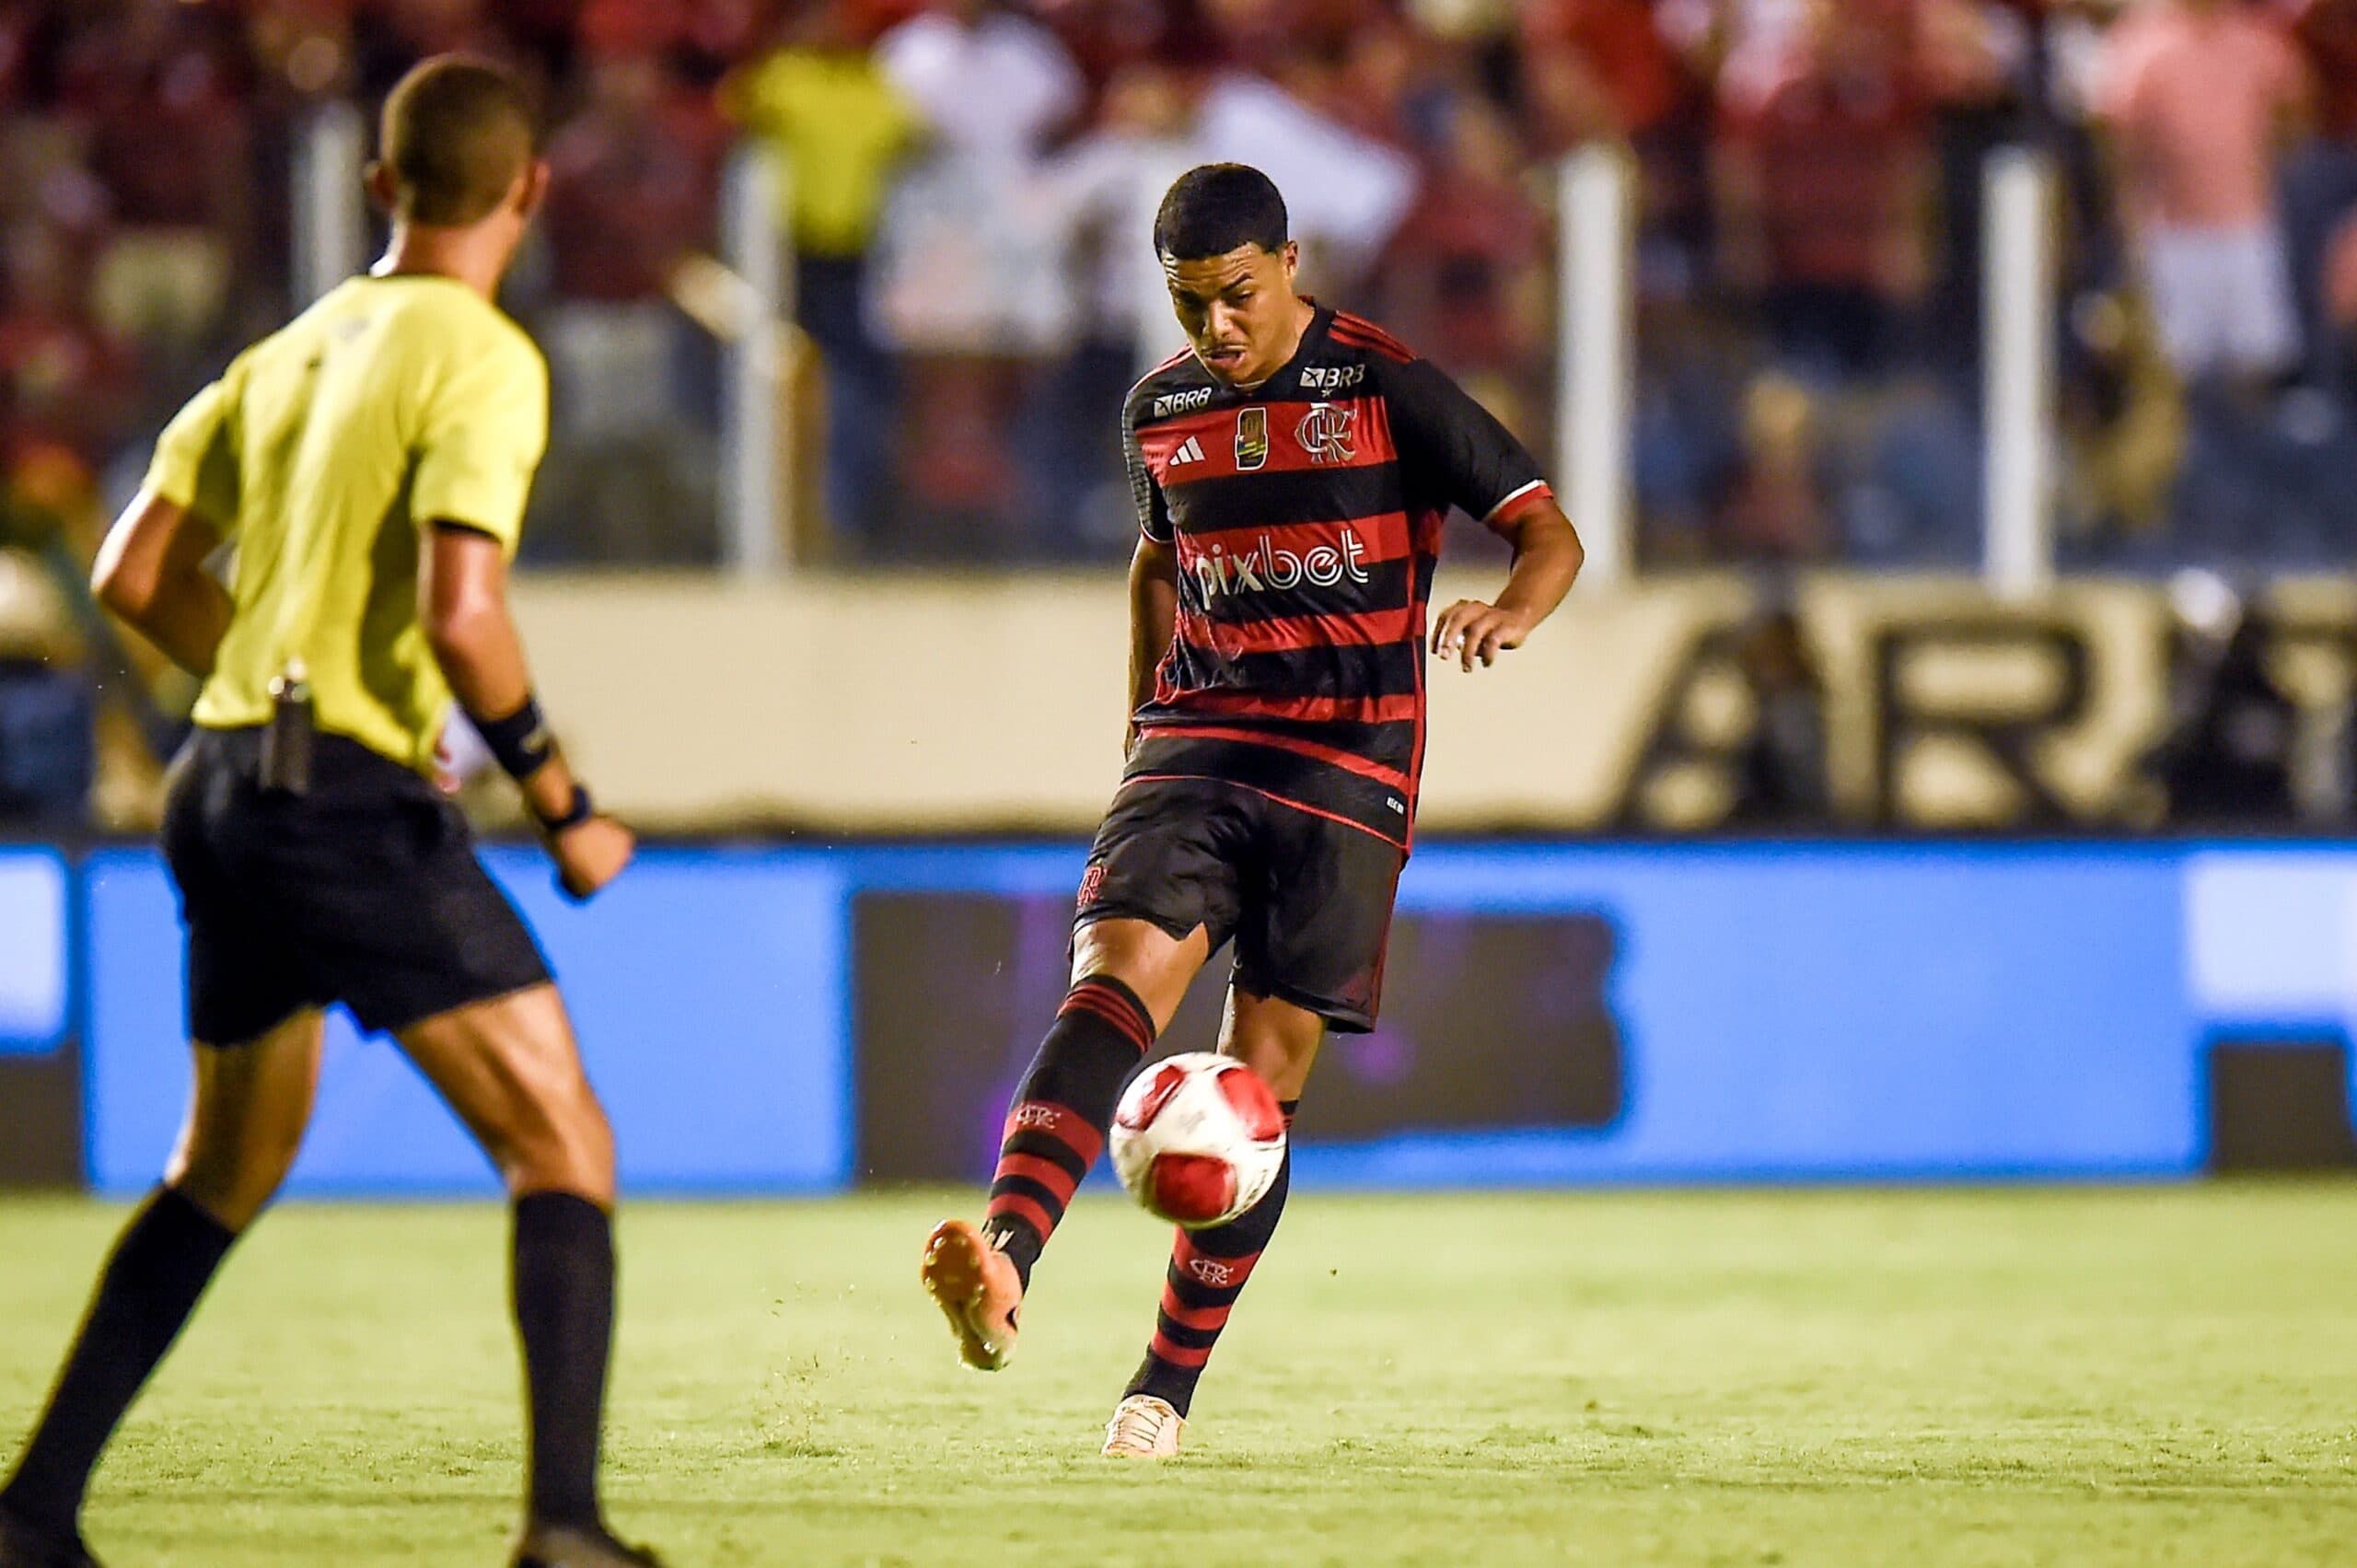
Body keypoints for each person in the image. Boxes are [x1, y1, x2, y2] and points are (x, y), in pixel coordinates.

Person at [0, 57, 660, 1568]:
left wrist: (269, 683)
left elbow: (131, 573)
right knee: (564, 1143)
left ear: (379, 189)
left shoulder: (284, 352)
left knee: (221, 1170)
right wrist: (562, 800)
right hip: (343, 801)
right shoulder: (482, 356)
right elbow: (465, 611)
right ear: (530, 192)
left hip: (219, 783)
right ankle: (564, 1528)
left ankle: (31, 1512)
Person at [919, 163, 1584, 1458]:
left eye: (1234, 297)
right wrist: (1137, 738)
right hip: (1201, 748)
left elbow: (1547, 532)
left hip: (1348, 775)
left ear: (1290, 263)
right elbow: (1158, 566)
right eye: (1187, 305)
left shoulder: (1388, 386)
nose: (1214, 332)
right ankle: (1004, 1257)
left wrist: (1511, 611)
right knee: (1110, 983)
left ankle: (1160, 1389)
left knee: (1253, 1096)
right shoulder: (1159, 410)